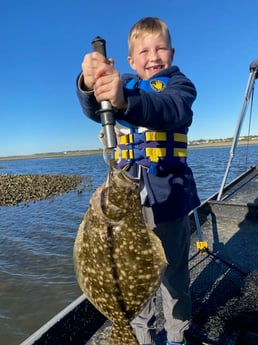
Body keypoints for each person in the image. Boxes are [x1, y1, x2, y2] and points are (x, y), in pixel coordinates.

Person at [76, 17, 200, 345]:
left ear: (172, 53)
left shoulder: (180, 87)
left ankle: (177, 336)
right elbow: (93, 110)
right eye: (144, 51)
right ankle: (139, 337)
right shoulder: (125, 83)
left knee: (174, 278)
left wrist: (125, 101)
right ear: (131, 61)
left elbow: (167, 109)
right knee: (134, 283)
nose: (153, 56)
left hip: (169, 206)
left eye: (160, 48)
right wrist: (91, 85)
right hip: (129, 206)